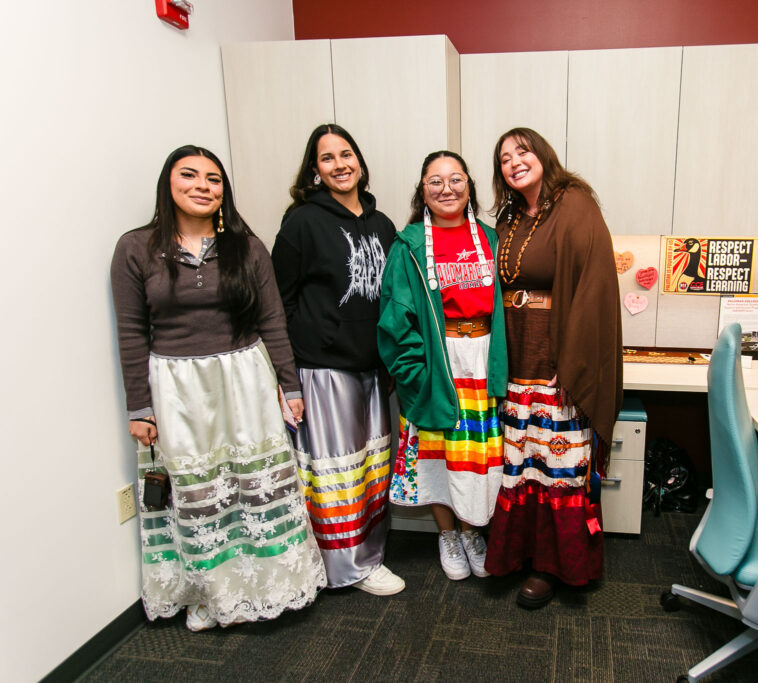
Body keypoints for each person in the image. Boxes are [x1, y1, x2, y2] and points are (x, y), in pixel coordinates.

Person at [111, 145, 326, 631]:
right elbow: (130, 332)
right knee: (198, 492)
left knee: (256, 484)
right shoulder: (136, 248)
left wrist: (289, 386)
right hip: (178, 388)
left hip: (245, 378)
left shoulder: (246, 247)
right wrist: (139, 407)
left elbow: (273, 320)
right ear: (169, 184)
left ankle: (273, 584)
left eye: (213, 179)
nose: (203, 186)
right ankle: (210, 593)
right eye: (190, 176)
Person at [484, 128, 623, 608]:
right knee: (521, 465)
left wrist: (574, 358)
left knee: (557, 467)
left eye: (523, 151)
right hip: (517, 362)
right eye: (504, 158)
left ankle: (554, 566)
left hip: (556, 362)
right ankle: (521, 554)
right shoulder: (509, 216)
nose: (515, 161)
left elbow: (594, 287)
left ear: (543, 154)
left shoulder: (574, 204)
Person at [271, 124, 404, 595]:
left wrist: (390, 364)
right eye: (327, 158)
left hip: (372, 369)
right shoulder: (301, 223)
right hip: (322, 369)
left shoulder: (384, 224)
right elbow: (278, 304)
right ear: (315, 171)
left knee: (370, 468)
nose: (340, 164)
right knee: (335, 474)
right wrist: (287, 378)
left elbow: (391, 301)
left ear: (360, 162)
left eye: (346, 154)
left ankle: (368, 556)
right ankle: (342, 567)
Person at [378, 151, 507, 581]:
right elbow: (396, 320)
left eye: (455, 179)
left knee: (477, 458)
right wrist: (416, 375)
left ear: (469, 185)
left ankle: (473, 531)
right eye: (435, 182)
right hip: (438, 363)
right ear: (423, 191)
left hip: (482, 361)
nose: (446, 189)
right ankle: (447, 534)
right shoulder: (409, 245)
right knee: (438, 458)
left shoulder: (491, 238)